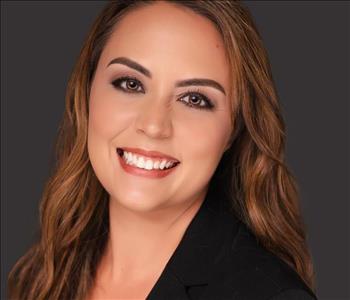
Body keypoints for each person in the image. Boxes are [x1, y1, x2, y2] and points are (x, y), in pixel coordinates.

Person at [7, 1, 318, 299]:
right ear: (87, 91)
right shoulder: (46, 269)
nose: (154, 125)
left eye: (194, 99)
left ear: (233, 130)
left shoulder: (270, 295)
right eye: (130, 84)